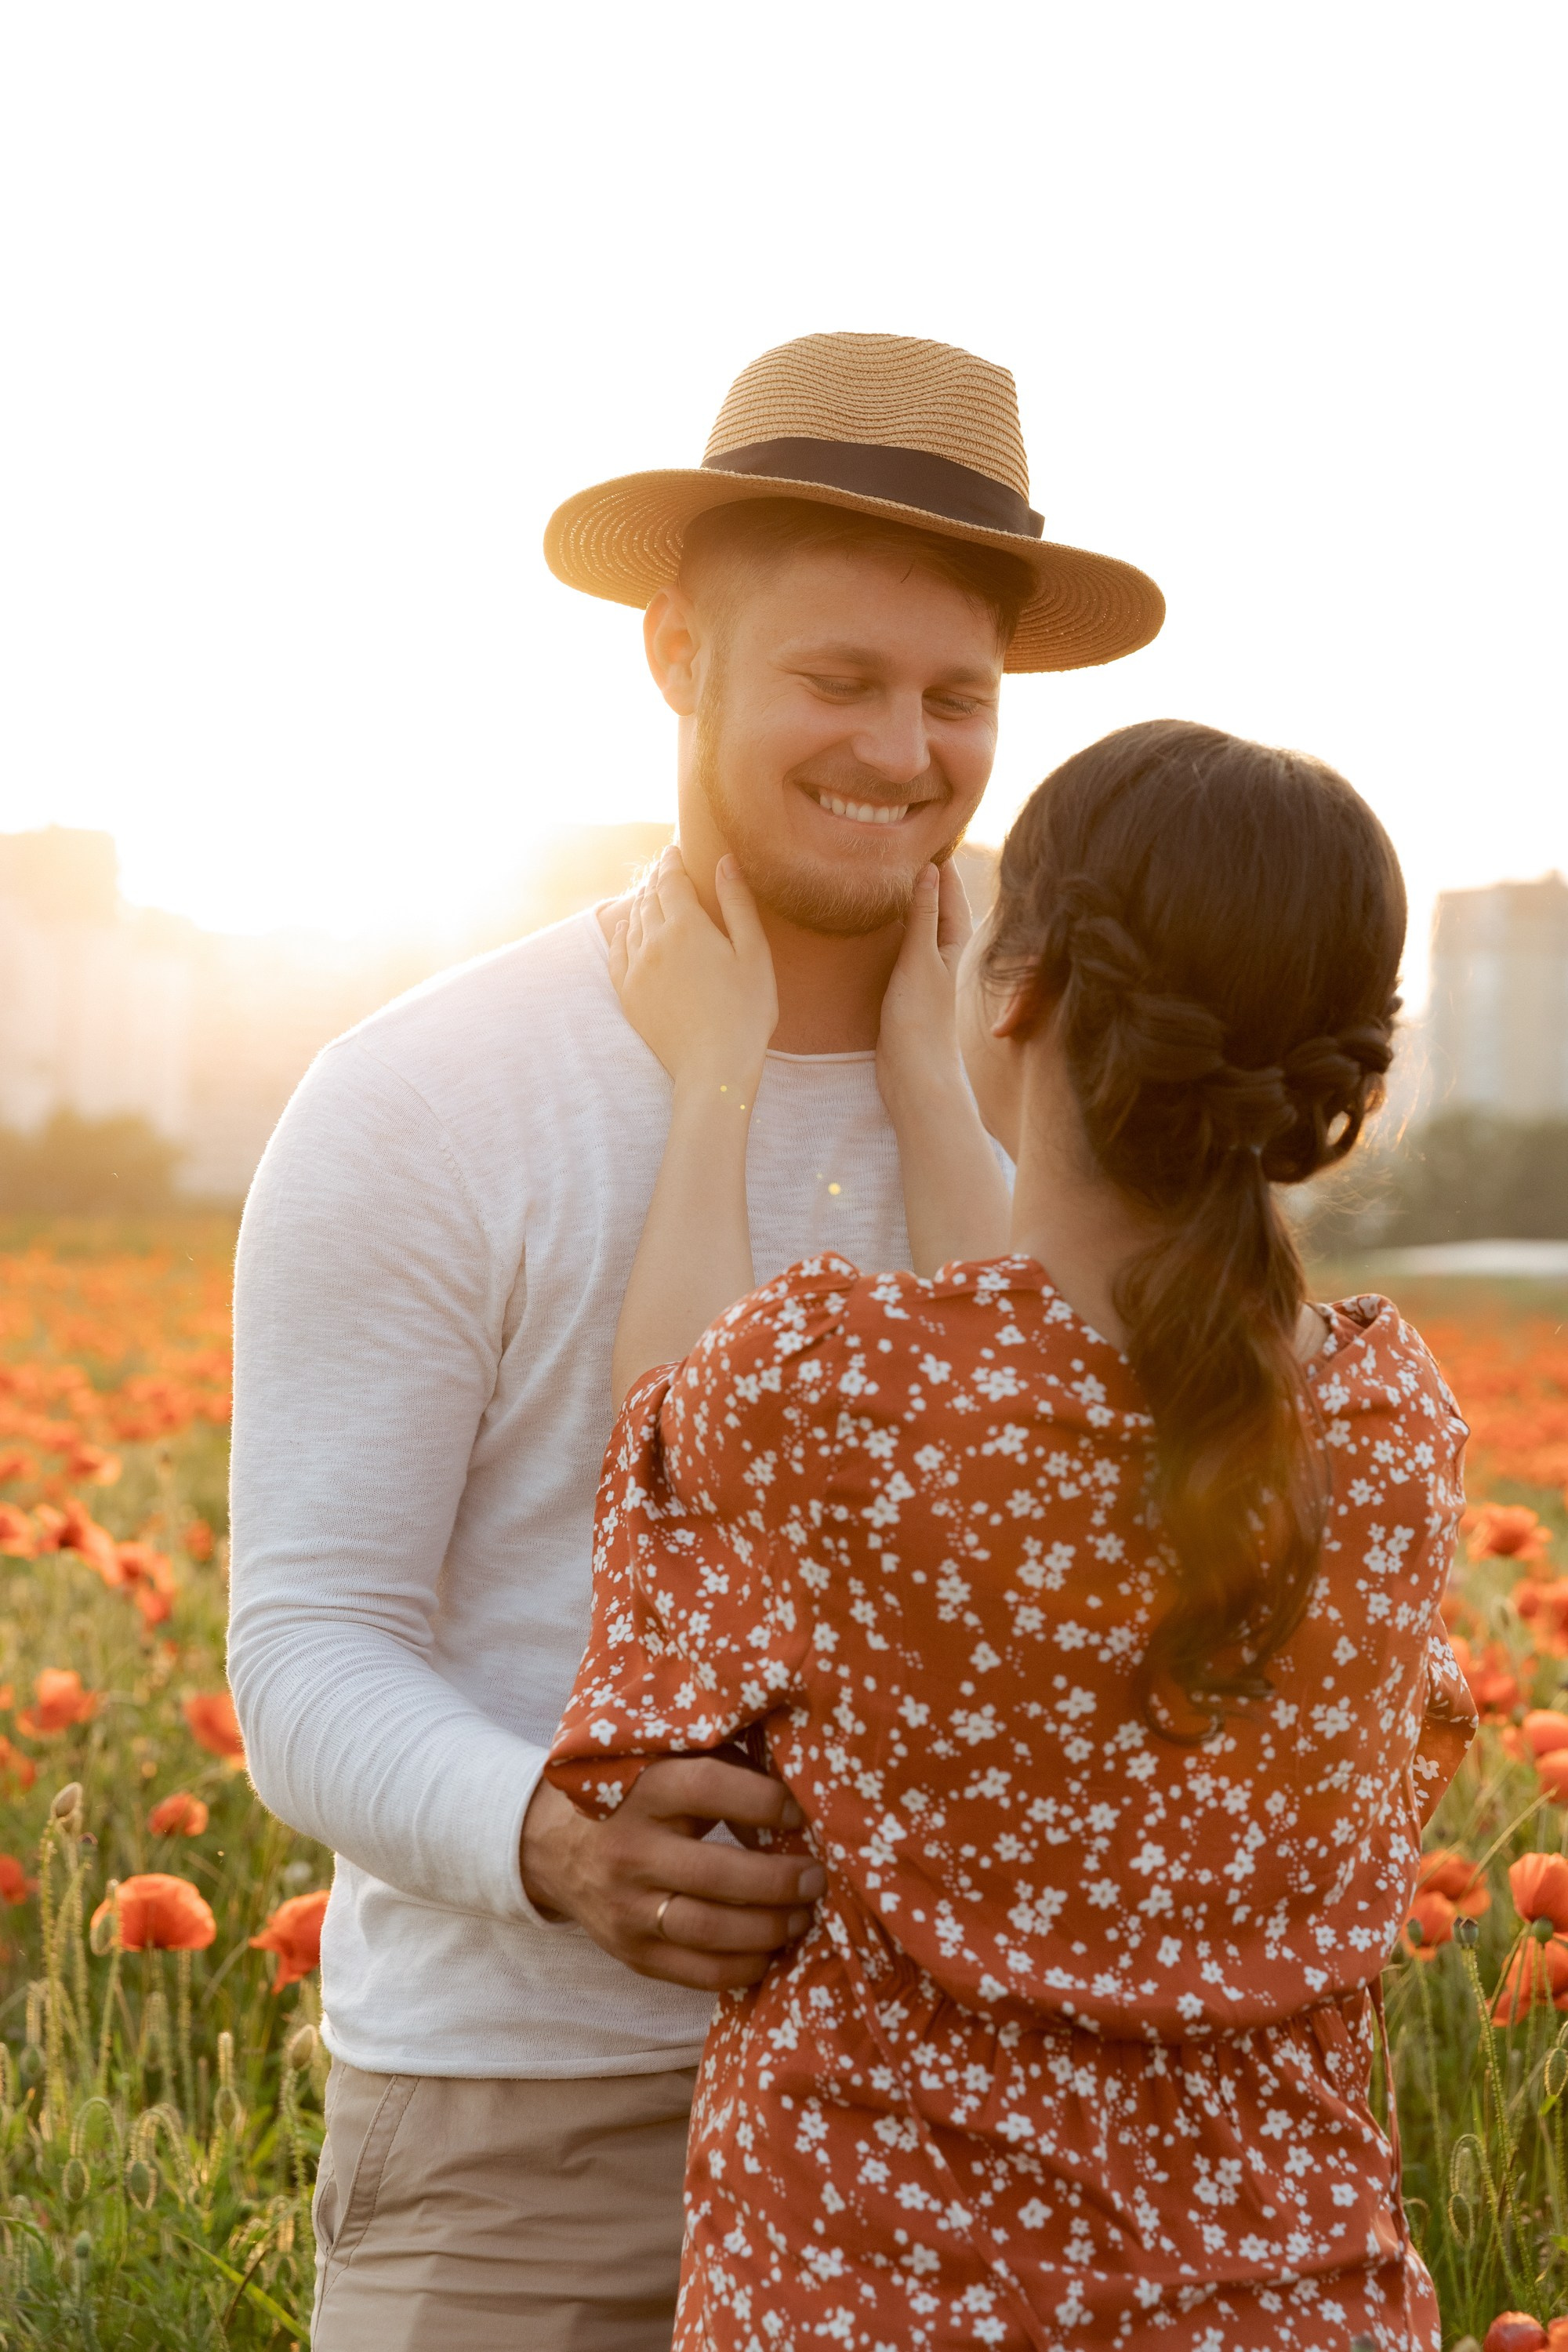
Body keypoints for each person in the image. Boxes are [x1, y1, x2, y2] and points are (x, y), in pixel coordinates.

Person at [225, 331, 1163, 2350]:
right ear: (675, 656)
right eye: (836, 681)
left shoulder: (1100, 1088)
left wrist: (954, 1099)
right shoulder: (426, 1091)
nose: (903, 756)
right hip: (529, 2121)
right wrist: (554, 1842)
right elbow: (306, 1643)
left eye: (956, 700)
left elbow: (1106, 1565)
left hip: (983, 2114)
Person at [546, 719, 1475, 2351]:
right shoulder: (1388, 1428)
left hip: (880, 2297)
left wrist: (716, 1076)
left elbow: (662, 1441)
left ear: (1023, 982)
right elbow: (1081, 1372)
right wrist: (941, 1085)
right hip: (1293, 2304)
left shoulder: (828, 1395)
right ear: (1347, 1074)